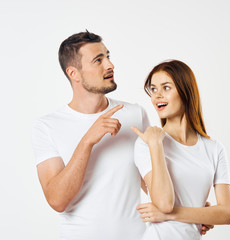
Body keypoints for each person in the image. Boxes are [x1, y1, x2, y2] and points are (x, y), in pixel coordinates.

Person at [31, 30, 151, 240]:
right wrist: (87, 140)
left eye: (108, 57)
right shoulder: (47, 127)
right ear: (73, 73)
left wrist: (189, 209)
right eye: (98, 60)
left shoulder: (135, 114)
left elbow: (152, 183)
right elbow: (57, 201)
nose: (110, 65)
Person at [131, 60, 230, 240]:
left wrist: (171, 215)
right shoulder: (146, 143)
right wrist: (156, 145)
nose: (157, 96)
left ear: (185, 91)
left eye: (166, 88)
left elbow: (226, 213)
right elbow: (164, 203)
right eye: (154, 89)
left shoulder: (214, 149)